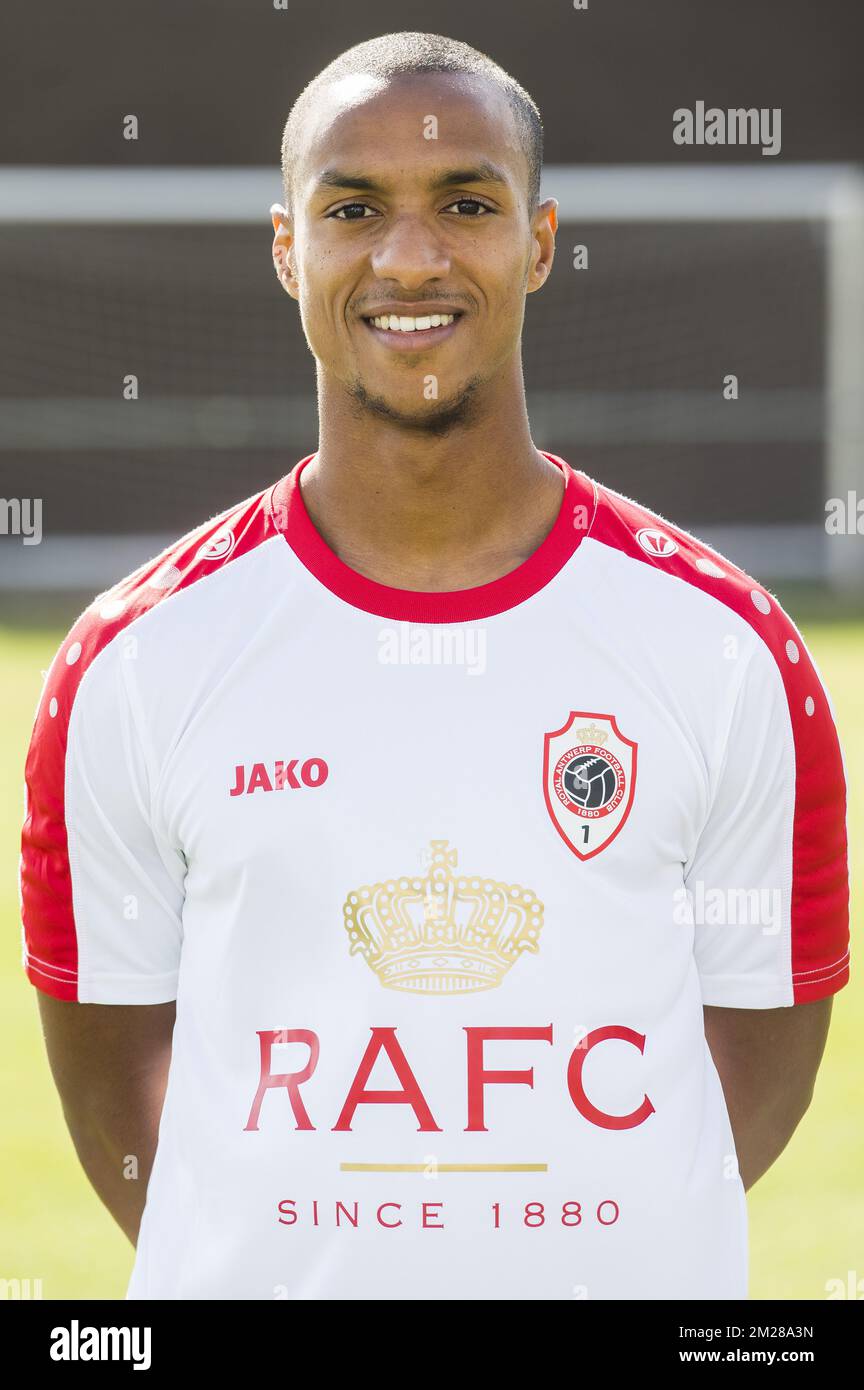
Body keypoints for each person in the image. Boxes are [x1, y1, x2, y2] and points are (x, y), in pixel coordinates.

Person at [20, 31, 849, 1301]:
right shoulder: (133, 661)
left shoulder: (728, 649)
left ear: (540, 239)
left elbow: (758, 1063)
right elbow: (115, 1081)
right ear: (288, 244)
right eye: (354, 209)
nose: (411, 257)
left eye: (466, 203)